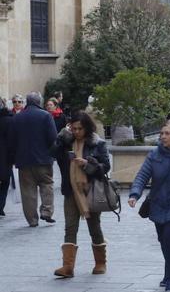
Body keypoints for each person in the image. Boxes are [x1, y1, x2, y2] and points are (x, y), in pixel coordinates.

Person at [129, 119, 170, 291]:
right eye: (161, 133)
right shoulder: (154, 155)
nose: (162, 136)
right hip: (157, 203)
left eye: (167, 133)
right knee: (162, 239)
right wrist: (134, 194)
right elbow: (142, 175)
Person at [51, 111, 110, 278]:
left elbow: (105, 167)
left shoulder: (97, 143)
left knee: (94, 227)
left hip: (90, 190)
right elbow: (52, 152)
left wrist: (87, 164)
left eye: (79, 129)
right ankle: (67, 267)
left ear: (87, 128)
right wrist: (62, 136)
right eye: (74, 128)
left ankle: (100, 262)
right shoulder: (67, 142)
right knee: (70, 227)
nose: (76, 132)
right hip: (71, 190)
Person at [10, 92, 57, 227]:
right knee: (47, 185)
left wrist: (13, 158)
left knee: (28, 191)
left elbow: (12, 141)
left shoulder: (18, 118)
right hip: (43, 159)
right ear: (39, 102)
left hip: (24, 160)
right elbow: (53, 138)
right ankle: (47, 211)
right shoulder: (46, 116)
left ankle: (32, 219)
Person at [0, 98, 14, 216]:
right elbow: (12, 140)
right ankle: (0, 206)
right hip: (6, 157)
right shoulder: (9, 120)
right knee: (5, 183)